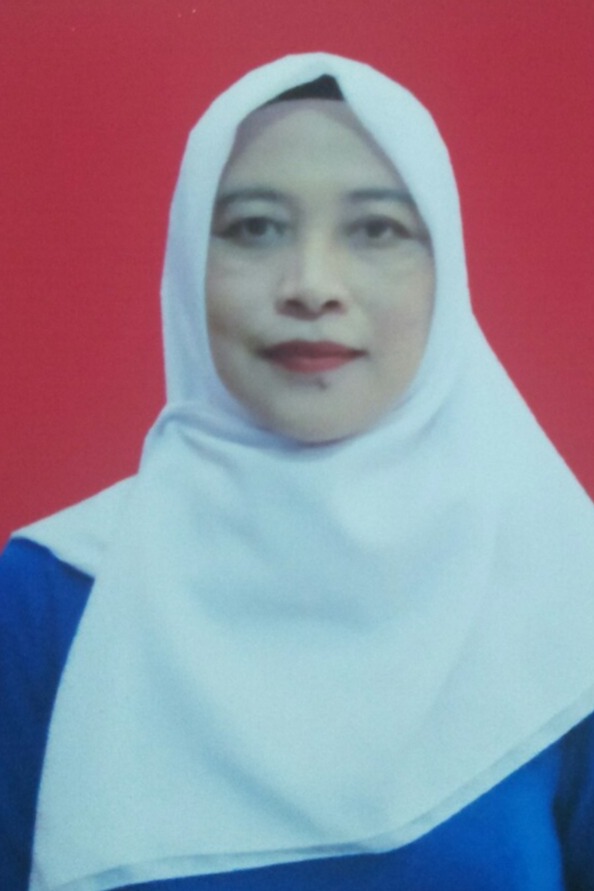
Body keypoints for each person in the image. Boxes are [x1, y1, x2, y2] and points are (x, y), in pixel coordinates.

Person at [1, 52, 594, 891]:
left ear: (447, 273)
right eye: (254, 228)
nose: (312, 285)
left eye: (376, 230)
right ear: (188, 263)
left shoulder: (562, 590)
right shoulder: (55, 591)